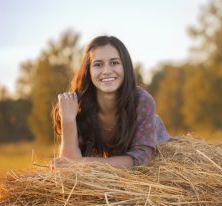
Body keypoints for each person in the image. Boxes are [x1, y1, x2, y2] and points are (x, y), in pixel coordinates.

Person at [52, 35, 170, 169]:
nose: (107, 71)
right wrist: (68, 120)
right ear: (88, 71)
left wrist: (82, 162)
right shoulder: (78, 105)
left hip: (156, 140)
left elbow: (142, 160)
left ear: (125, 66)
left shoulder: (142, 101)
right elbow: (67, 165)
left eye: (114, 63)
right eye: (98, 65)